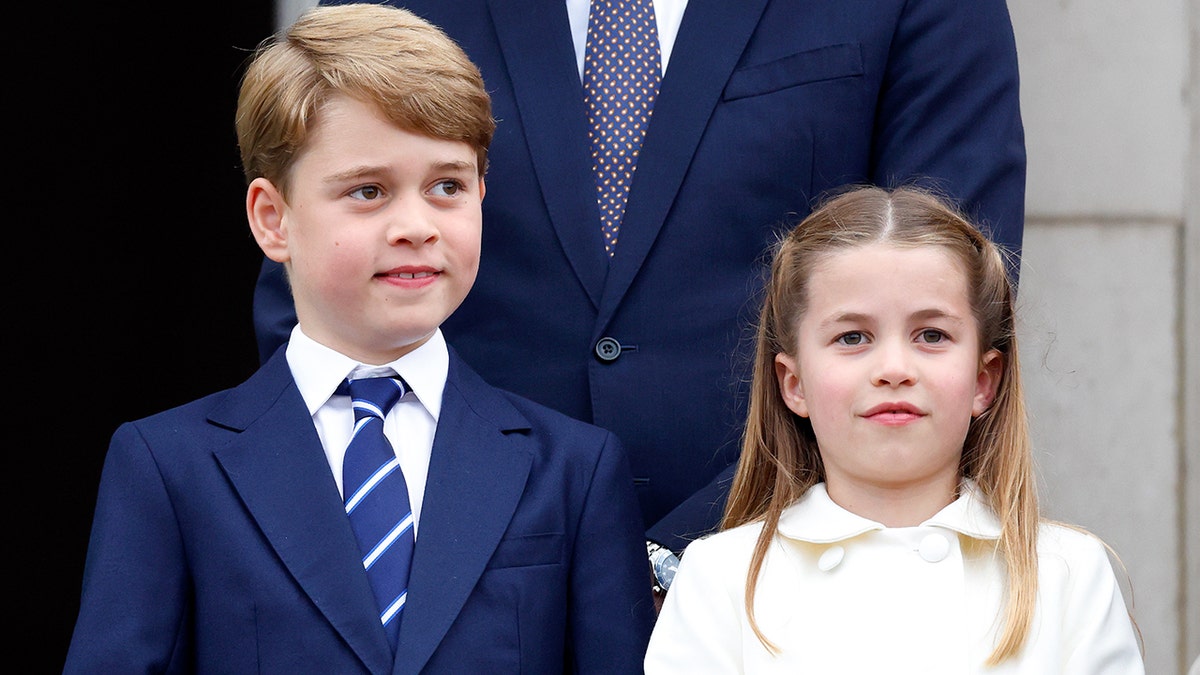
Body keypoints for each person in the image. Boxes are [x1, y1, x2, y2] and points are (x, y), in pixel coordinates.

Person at [255, 0, 1028, 596]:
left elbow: (950, 299)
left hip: (803, 571)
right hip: (455, 586)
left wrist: (697, 553)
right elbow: (316, 302)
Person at [63, 4, 654, 673]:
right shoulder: (168, 467)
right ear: (273, 218)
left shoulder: (575, 470)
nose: (416, 225)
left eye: (447, 186)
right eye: (369, 190)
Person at [643, 185, 1145, 673]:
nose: (893, 368)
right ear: (793, 383)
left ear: (983, 379)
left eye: (932, 335)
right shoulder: (720, 579)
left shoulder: (1069, 575)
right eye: (852, 336)